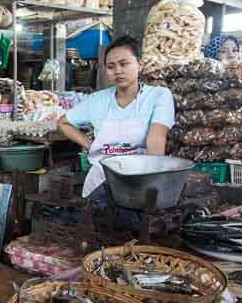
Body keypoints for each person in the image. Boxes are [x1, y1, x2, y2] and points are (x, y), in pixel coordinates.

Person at [58, 35, 175, 200]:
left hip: (140, 180)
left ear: (139, 64)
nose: (118, 71)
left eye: (124, 64)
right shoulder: (97, 100)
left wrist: (152, 183)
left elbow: (156, 139)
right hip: (101, 182)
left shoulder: (159, 96)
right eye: (111, 66)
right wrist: (90, 145)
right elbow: (63, 122)